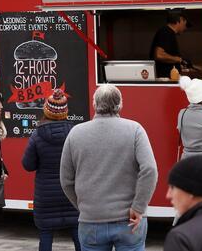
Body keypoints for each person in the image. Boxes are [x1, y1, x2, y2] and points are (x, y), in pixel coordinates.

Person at [60, 84, 158, 251]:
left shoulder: (75, 133)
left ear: (94, 104)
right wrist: (138, 207)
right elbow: (149, 170)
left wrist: (84, 206)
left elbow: (66, 180)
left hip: (91, 221)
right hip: (129, 221)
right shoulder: (135, 130)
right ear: (120, 105)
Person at [22, 88, 81, 251]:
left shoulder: (37, 134)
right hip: (71, 194)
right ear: (65, 111)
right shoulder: (75, 133)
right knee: (78, 234)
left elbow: (27, 165)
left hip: (46, 196)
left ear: (46, 110)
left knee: (46, 235)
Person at [150, 10, 192, 78]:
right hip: (165, 80)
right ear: (180, 20)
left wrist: (179, 64)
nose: (185, 28)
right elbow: (159, 55)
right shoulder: (166, 32)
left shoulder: (169, 33)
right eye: (185, 23)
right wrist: (179, 60)